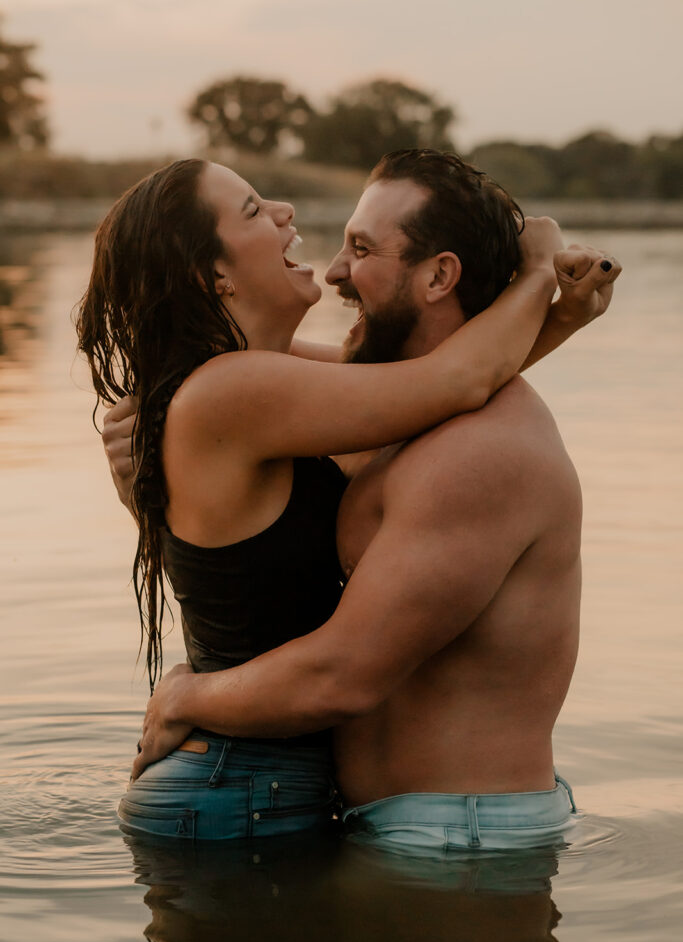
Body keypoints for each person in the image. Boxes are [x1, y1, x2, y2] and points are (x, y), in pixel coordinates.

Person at [122, 150, 621, 850]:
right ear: (213, 273)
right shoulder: (252, 389)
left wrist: (188, 694)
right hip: (357, 816)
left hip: (449, 833)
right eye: (252, 210)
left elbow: (450, 380)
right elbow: (451, 378)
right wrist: (539, 285)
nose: (331, 268)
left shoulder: (471, 443)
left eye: (359, 248)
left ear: (439, 274)